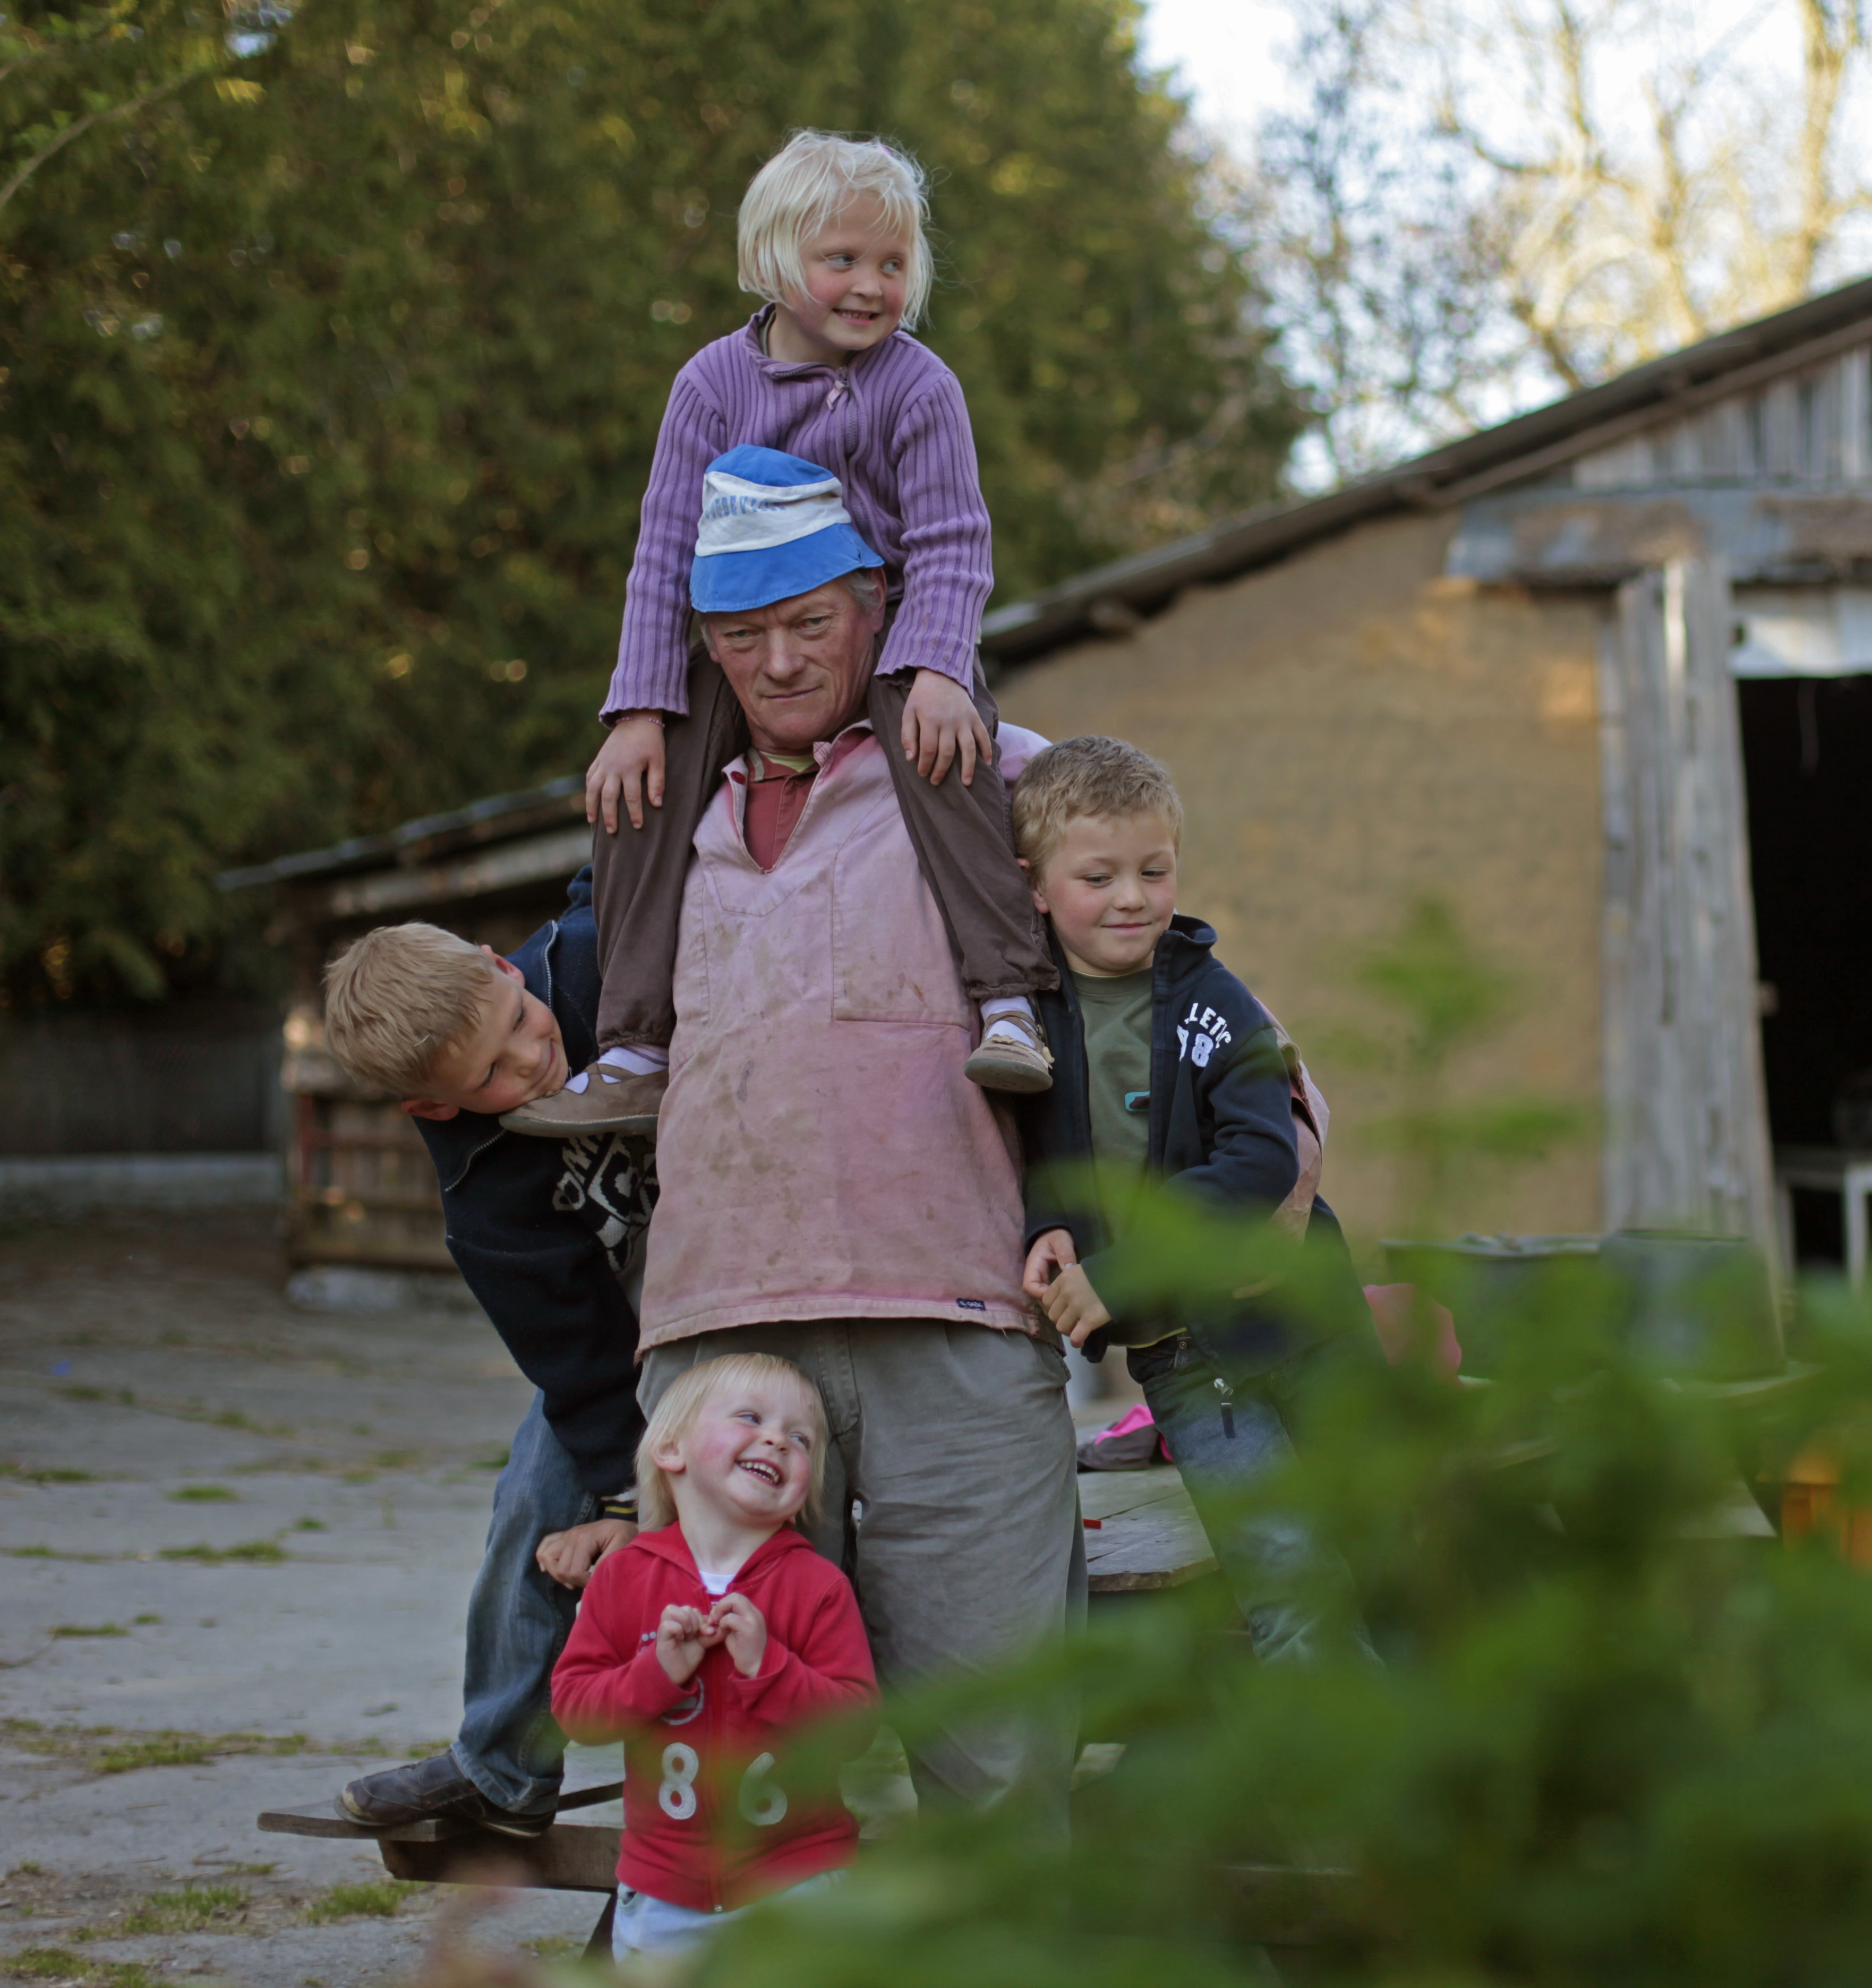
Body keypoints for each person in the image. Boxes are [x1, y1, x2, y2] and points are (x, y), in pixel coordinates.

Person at [634, 449, 1085, 1823]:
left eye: (810, 624)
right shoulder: (659, 823)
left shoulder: (989, 777)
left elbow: (1161, 982)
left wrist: (1276, 1131)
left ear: (880, 607)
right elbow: (545, 1032)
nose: (776, 663)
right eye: (739, 635)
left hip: (957, 1317)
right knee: (731, 1765)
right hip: (722, 1338)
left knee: (995, 1753)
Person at [509, 128, 1053, 1139]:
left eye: (892, 264)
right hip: (750, 632)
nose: (869, 285)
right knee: (643, 777)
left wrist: (937, 665)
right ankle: (634, 1042)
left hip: (887, 626)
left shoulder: (918, 384)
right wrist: (635, 708)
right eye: (841, 260)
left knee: (949, 750)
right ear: (774, 259)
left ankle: (1009, 999)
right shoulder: (712, 386)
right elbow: (663, 549)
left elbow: (952, 539)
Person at [1011, 736, 1367, 1663]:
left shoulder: (1215, 1003)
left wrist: (1118, 1273)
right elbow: (1034, 1161)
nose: (1131, 896)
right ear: (1035, 885)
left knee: (1385, 1556)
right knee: (1288, 1583)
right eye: (1098, 874)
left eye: (1153, 869)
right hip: (1186, 1363)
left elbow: (1259, 1158)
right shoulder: (1022, 1021)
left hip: (1303, 1324)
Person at [314, 877, 652, 1835]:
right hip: (631, 1333)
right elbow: (577, 1357)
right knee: (534, 1500)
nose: (534, 1054)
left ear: (509, 965)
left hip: (762, 1264)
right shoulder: (486, 1197)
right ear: (435, 1105)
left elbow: (651, 874)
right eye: (494, 1074)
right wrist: (623, 1491)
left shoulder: (598, 958)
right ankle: (504, 1768)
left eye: (520, 1018)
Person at [552, 1352, 877, 1960]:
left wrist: (770, 1668)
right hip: (663, 1893)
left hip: (800, 1882)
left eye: (801, 1438)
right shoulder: (624, 1577)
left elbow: (855, 1728)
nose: (777, 1439)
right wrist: (657, 1675)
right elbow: (576, 1711)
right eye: (750, 1417)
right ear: (670, 1450)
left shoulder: (816, 1584)